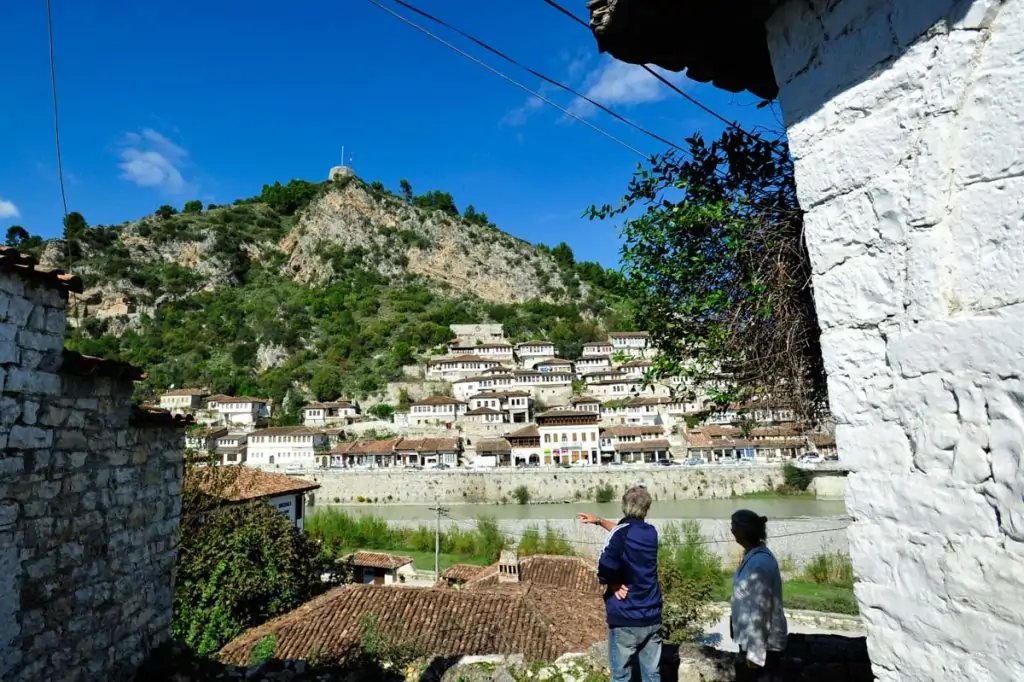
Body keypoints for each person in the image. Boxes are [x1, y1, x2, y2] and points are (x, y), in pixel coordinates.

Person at [578, 486, 663, 682]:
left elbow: (605, 565)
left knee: (621, 676)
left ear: (624, 506)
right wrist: (599, 521)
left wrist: (614, 583)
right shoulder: (650, 532)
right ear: (647, 508)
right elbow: (623, 532)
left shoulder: (621, 534)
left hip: (627, 615)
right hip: (652, 614)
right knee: (652, 675)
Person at [730, 509, 788, 682]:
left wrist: (755, 655)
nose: (731, 530)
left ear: (744, 531)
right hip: (756, 643)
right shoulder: (753, 556)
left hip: (763, 648)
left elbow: (760, 610)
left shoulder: (759, 565)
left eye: (734, 526)